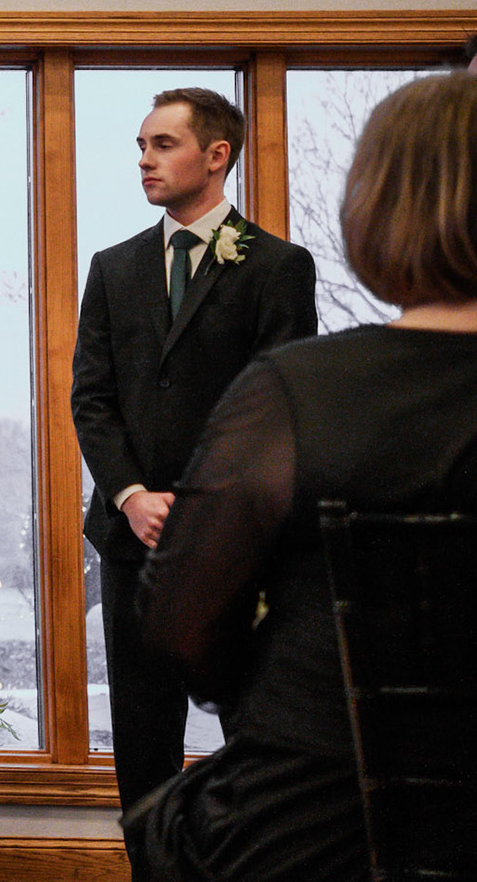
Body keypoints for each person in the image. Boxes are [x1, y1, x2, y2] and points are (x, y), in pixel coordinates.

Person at [129, 71, 477, 879]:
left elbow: (179, 621)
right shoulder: (127, 274)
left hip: (319, 824)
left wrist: (281, 693)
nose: (144, 159)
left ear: (378, 207)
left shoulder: (295, 395)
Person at [69, 88, 317, 880]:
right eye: (141, 145)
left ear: (217, 155)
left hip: (239, 544)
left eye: (163, 144)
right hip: (132, 540)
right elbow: (91, 398)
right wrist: (132, 497)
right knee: (142, 743)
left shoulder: (277, 267)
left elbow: (276, 405)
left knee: (254, 734)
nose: (145, 159)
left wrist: (208, 508)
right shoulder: (113, 268)